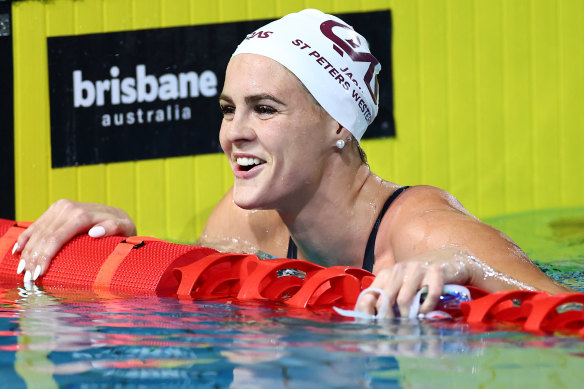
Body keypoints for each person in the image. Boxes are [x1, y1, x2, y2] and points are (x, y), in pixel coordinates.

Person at [11, 9, 570, 318]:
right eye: (229, 110)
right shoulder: (242, 221)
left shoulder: (426, 230)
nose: (236, 134)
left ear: (339, 126)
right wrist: (120, 249)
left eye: (265, 109)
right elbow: (192, 310)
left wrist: (464, 264)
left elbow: (564, 314)